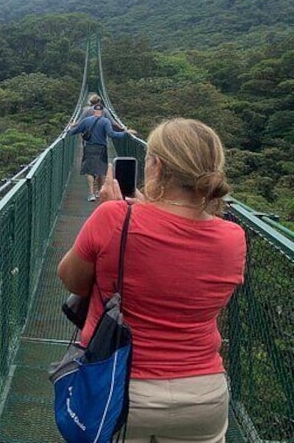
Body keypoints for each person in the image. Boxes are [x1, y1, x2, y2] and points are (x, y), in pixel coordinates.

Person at [57, 118, 247, 442]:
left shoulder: (114, 217)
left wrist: (116, 214)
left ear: (156, 165)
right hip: (203, 396)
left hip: (121, 390)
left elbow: (73, 281)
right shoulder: (233, 237)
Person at [67, 104, 134, 201]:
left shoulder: (86, 120)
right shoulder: (105, 121)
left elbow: (75, 130)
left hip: (89, 147)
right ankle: (100, 192)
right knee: (101, 170)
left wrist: (67, 131)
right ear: (102, 112)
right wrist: (125, 133)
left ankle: (91, 194)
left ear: (93, 111)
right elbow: (112, 134)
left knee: (89, 171)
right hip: (102, 148)